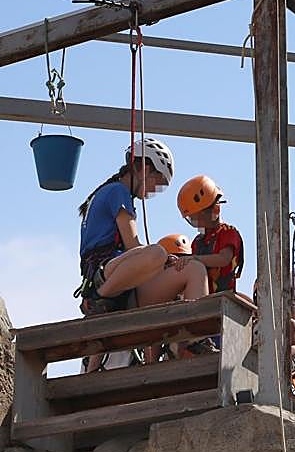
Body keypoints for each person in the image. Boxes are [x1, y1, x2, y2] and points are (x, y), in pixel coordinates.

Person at [75, 138, 213, 369]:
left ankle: (194, 341)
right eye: (157, 182)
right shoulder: (117, 191)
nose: (153, 191)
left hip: (123, 287)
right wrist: (163, 260)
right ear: (145, 169)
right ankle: (100, 301)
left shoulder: (112, 193)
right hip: (104, 275)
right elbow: (133, 245)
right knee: (157, 253)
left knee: (194, 269)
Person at [178, 175, 245, 294]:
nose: (195, 222)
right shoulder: (198, 241)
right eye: (192, 219)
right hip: (202, 294)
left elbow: (223, 259)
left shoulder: (228, 232)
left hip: (223, 296)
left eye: (197, 217)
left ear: (214, 209)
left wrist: (195, 259)